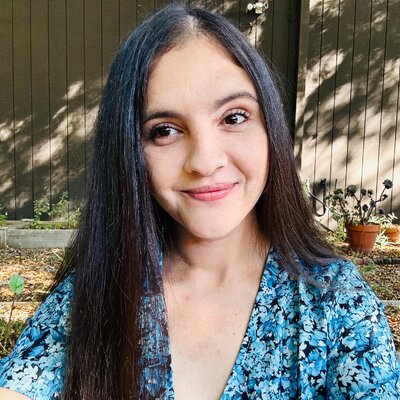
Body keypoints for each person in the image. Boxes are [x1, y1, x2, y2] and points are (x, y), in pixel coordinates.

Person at [0, 4, 399, 399]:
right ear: (129, 152)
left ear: (270, 128)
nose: (205, 162)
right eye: (165, 130)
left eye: (234, 117)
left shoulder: (335, 302)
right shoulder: (95, 294)